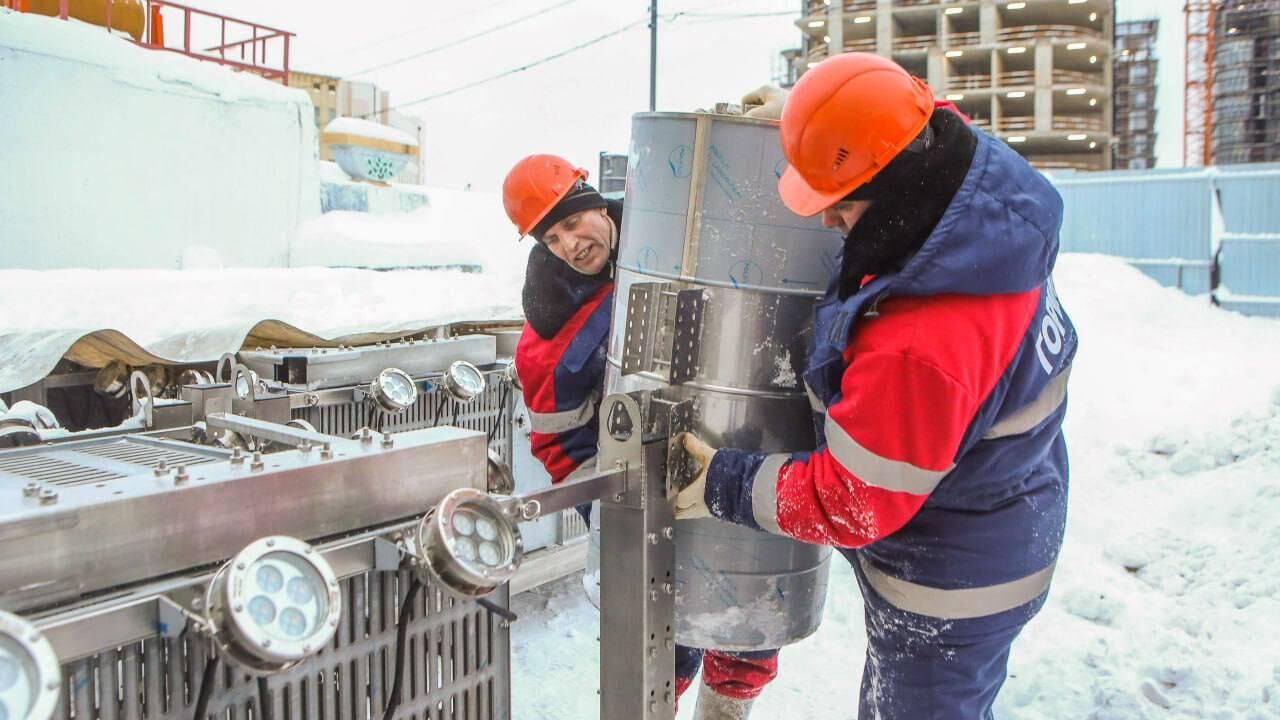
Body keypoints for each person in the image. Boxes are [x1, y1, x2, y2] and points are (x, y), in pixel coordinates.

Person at [676, 52, 1078, 719]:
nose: (827, 220)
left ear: (896, 185)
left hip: (952, 585)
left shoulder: (919, 343)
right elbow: (912, 114)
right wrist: (813, 131)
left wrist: (721, 483)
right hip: (1006, 505)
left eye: (842, 201)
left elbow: (854, 502)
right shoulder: (983, 195)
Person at [503, 155, 779, 719]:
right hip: (640, 490)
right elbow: (557, 442)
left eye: (572, 222)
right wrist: (613, 509)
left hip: (731, 459)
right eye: (551, 238)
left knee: (746, 618)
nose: (570, 245)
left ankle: (724, 712)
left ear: (593, 202)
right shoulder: (551, 330)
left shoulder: (677, 244)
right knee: (658, 633)